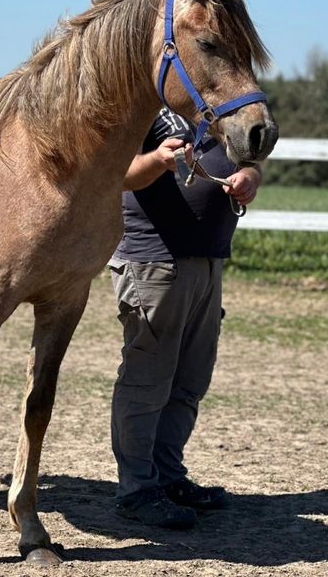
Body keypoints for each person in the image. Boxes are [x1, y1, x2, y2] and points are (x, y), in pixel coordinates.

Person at [108, 106, 262, 529]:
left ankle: (168, 477)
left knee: (190, 379)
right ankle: (137, 489)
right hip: (153, 261)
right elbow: (116, 174)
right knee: (148, 378)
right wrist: (157, 160)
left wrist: (250, 177)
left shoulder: (215, 110)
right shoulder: (137, 105)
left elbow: (248, 159)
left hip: (207, 259)